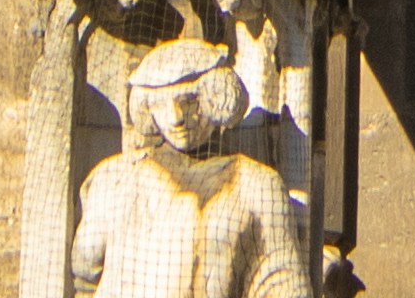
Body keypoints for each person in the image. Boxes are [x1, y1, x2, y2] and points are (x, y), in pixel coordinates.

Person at [68, 37, 311, 298]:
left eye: (189, 100)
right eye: (160, 104)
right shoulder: (115, 178)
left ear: (217, 97)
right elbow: (84, 266)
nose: (176, 118)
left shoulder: (256, 185)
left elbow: (285, 286)